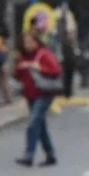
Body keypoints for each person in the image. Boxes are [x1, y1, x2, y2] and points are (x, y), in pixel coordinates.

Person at [13, 32, 61, 167]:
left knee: (33, 123)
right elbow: (17, 75)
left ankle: (29, 154)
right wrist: (20, 66)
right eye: (25, 42)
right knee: (41, 126)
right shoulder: (23, 56)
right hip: (30, 94)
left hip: (44, 93)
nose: (27, 45)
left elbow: (56, 71)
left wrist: (37, 66)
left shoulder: (43, 54)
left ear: (37, 42)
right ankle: (50, 154)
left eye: (30, 42)